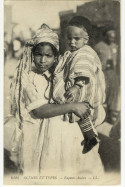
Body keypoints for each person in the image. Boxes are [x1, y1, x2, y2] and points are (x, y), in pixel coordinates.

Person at [6, 24, 90, 175]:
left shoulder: (59, 75)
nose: (42, 60)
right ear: (32, 55)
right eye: (38, 54)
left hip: (60, 135)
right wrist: (73, 107)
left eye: (48, 56)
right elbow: (39, 110)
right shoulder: (26, 77)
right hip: (35, 135)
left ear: (56, 57)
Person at [52, 16, 106, 154]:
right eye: (69, 38)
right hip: (78, 89)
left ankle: (90, 137)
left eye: (77, 39)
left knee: (77, 109)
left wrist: (76, 86)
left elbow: (83, 70)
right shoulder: (73, 52)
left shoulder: (84, 53)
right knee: (79, 113)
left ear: (86, 39)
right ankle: (90, 137)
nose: (72, 42)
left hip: (81, 89)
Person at [94, 26, 120, 124]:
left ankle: (110, 116)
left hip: (112, 73)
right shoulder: (98, 46)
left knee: (113, 94)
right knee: (103, 93)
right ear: (105, 36)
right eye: (110, 37)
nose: (112, 39)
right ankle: (101, 116)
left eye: (113, 37)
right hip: (102, 73)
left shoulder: (115, 46)